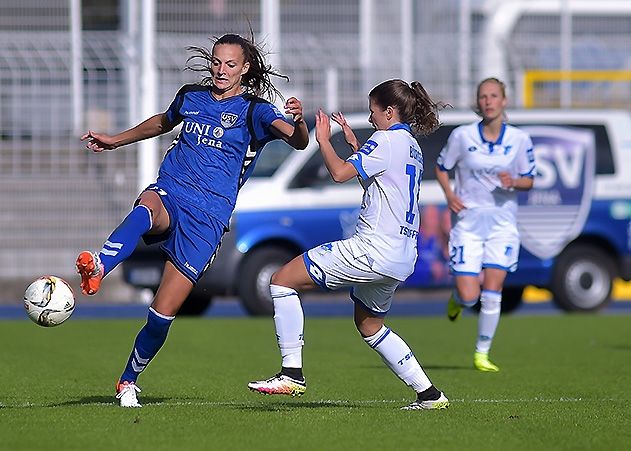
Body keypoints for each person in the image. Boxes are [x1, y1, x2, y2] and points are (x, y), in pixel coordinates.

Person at [76, 32, 309, 407]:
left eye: (230, 64)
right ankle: (100, 266)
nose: (221, 70)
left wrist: (298, 122)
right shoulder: (191, 96)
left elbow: (297, 141)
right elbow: (160, 123)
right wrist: (115, 140)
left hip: (209, 217)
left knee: (162, 315)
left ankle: (127, 380)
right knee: (146, 208)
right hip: (173, 190)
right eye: (216, 62)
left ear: (245, 69)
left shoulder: (256, 110)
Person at [248, 79, 450, 410]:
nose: (370, 119)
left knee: (281, 281)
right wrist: (357, 148)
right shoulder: (410, 145)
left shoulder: (384, 140)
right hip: (401, 255)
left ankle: (291, 373)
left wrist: (324, 140)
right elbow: (381, 182)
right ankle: (429, 395)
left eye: (373, 112)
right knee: (370, 325)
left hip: (372, 249)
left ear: (389, 111)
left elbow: (339, 173)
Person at [435, 77, 536, 372]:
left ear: (504, 101)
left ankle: (482, 354)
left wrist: (513, 181)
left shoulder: (519, 140)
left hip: (502, 224)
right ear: (478, 103)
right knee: (470, 296)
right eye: (483, 96)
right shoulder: (463, 136)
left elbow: (529, 180)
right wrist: (450, 195)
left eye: (494, 96)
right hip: (467, 223)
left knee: (493, 290)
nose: (488, 101)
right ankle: (457, 301)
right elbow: (442, 168)